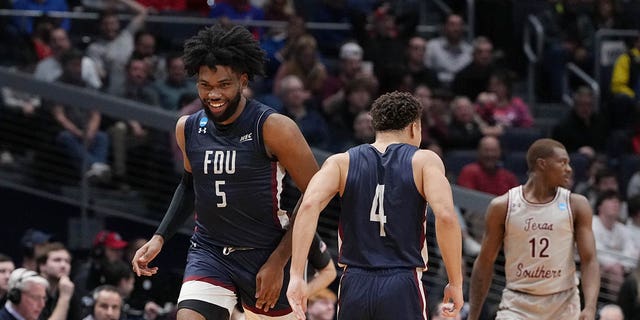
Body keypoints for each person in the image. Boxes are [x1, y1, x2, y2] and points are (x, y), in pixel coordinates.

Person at [131, 23, 319, 319]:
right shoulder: (188, 127)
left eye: (223, 84)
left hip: (266, 253)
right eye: (205, 85)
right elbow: (190, 185)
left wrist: (280, 261)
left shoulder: (274, 127)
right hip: (209, 251)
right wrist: (160, 236)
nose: (214, 94)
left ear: (243, 80)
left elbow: (316, 195)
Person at [286, 91, 464, 319]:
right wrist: (455, 283)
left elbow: (308, 206)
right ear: (414, 127)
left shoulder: (341, 161)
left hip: (354, 282)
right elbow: (447, 217)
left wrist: (297, 275)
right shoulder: (424, 160)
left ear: (376, 126)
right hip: (401, 281)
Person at [468, 138, 600, 320]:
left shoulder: (576, 204)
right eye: (563, 162)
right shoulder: (503, 206)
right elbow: (484, 263)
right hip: (517, 303)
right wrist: (473, 316)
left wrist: (591, 306)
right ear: (542, 164)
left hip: (564, 304)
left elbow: (590, 260)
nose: (569, 169)